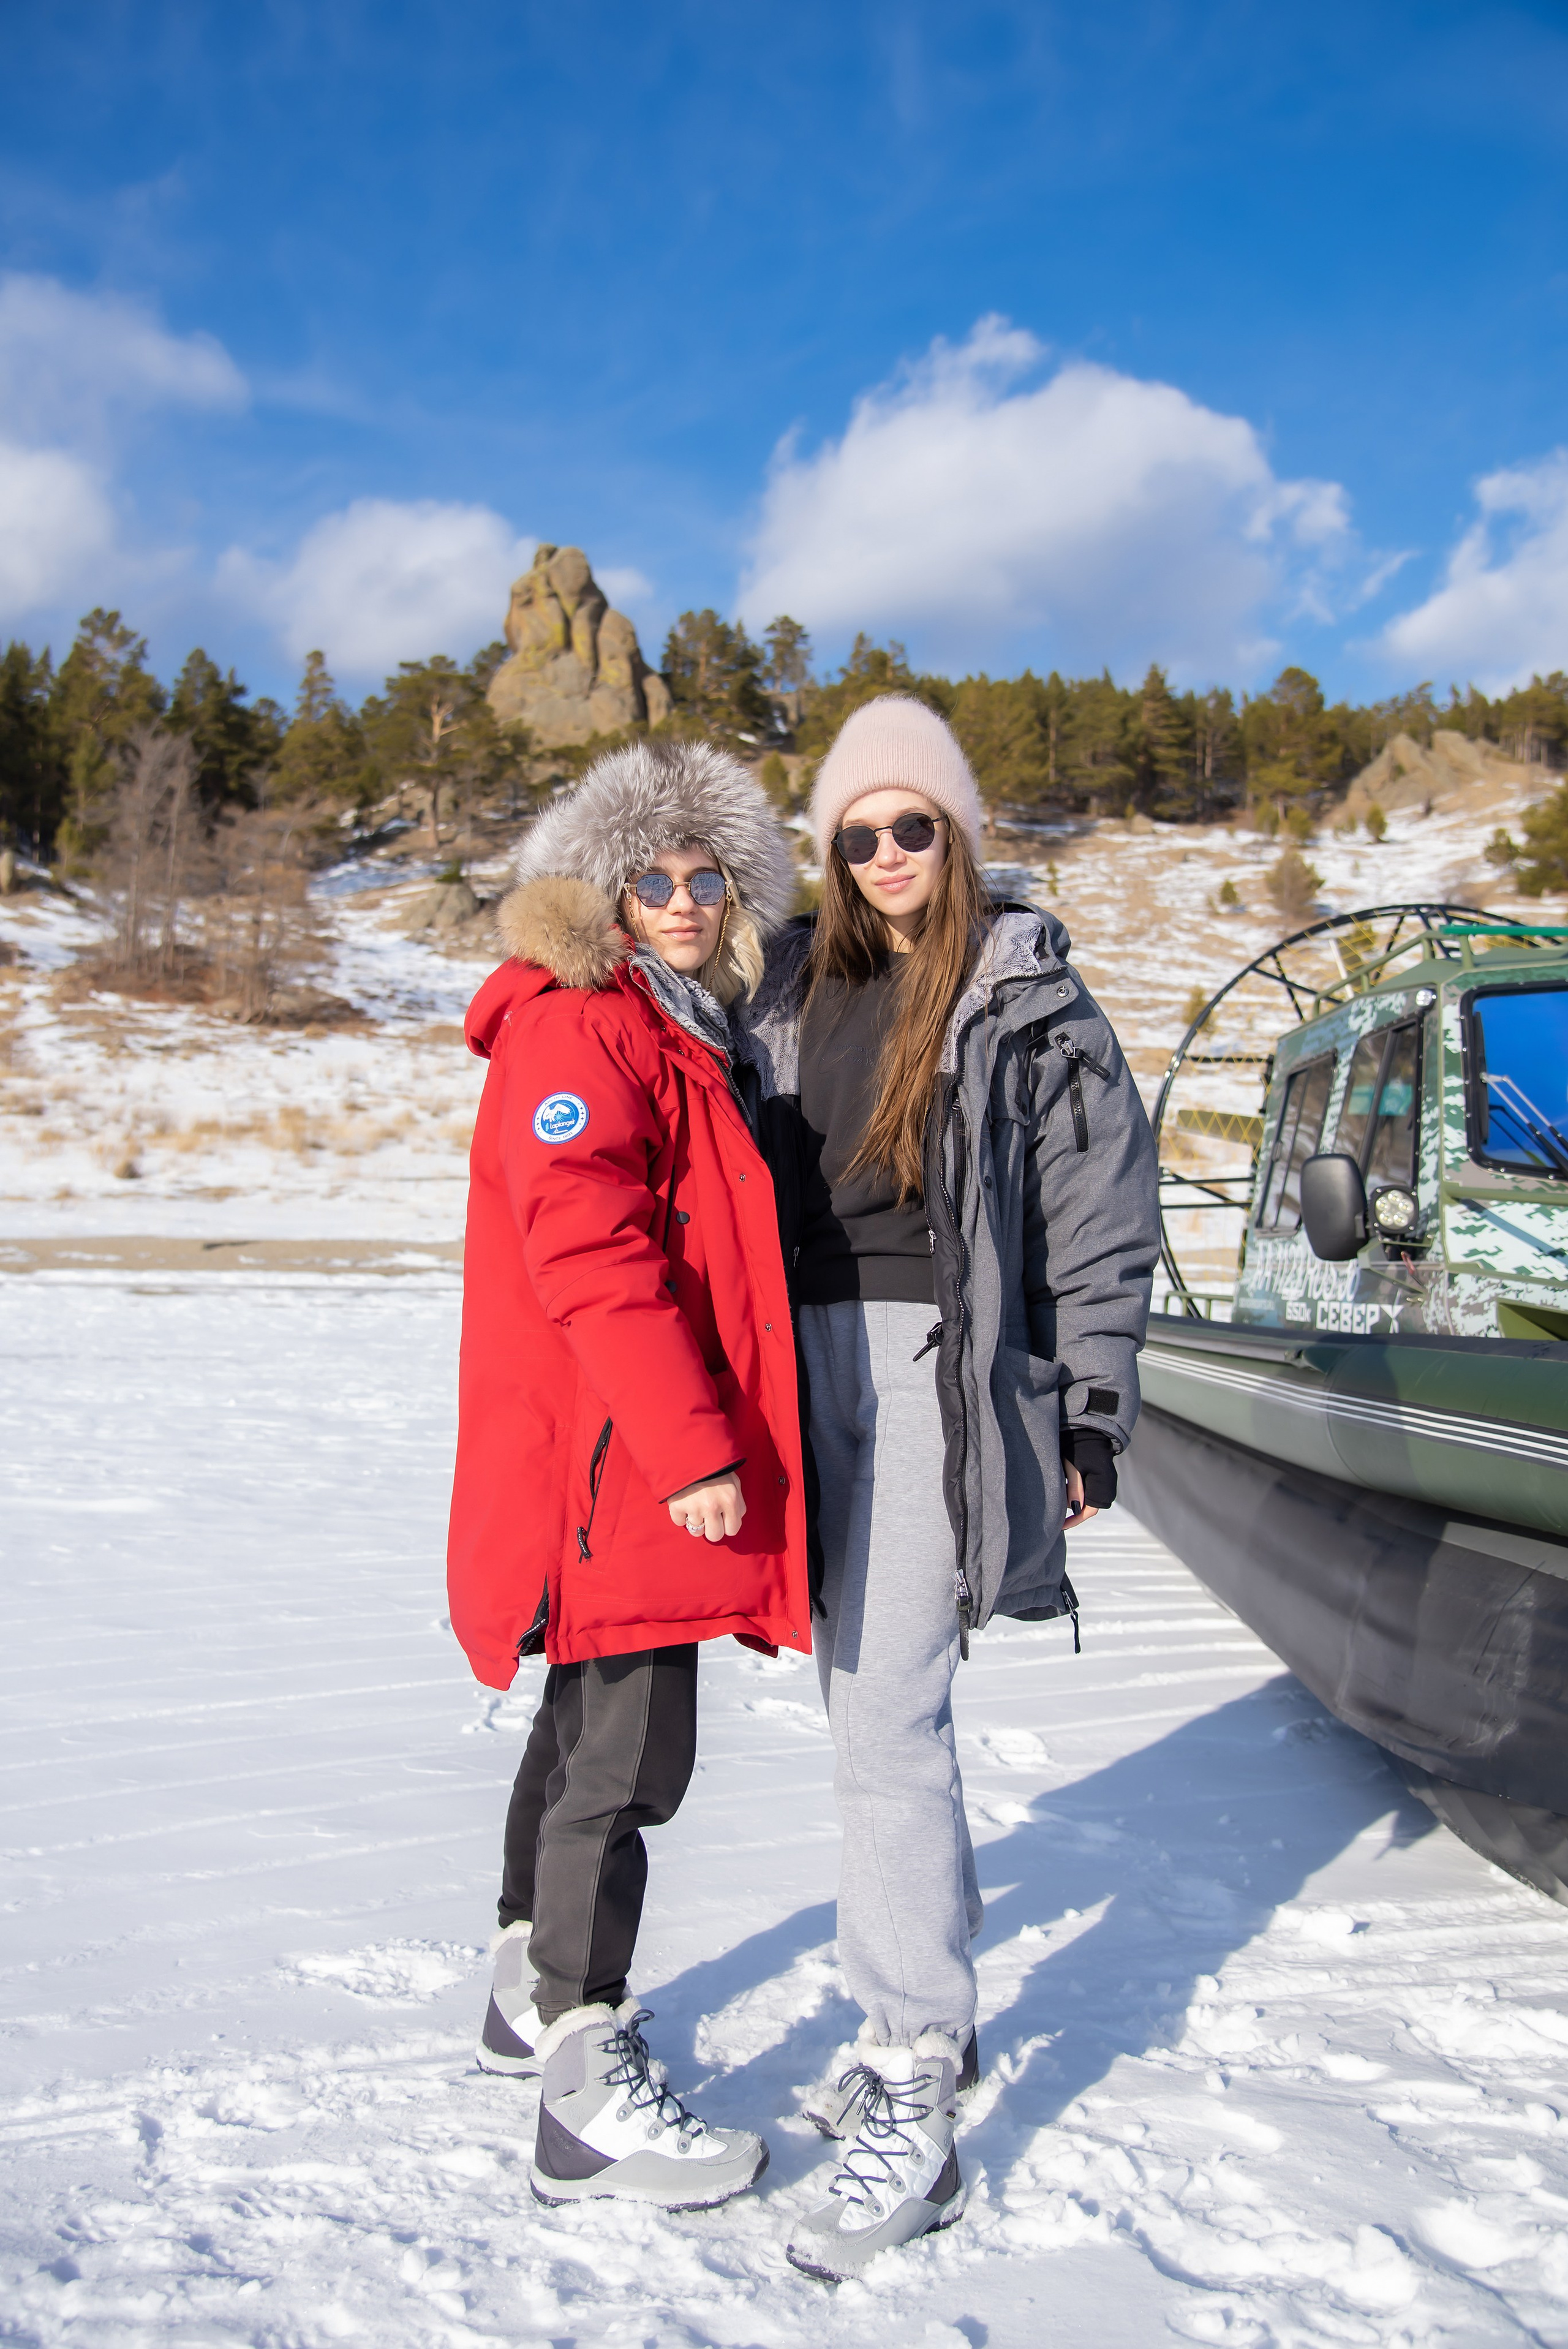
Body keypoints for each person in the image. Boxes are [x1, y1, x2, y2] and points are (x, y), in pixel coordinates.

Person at [735, 694, 1160, 2279]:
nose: (889, 853)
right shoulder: (789, 983)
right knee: (857, 1705)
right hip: (802, 1372)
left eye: (915, 824)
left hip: (938, 1374)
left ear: (959, 831)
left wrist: (1090, 1413)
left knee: (894, 1706)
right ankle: (914, 2015)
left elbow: (1102, 1212)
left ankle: (916, 2049)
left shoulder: (1025, 991)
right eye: (859, 831)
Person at [447, 736, 805, 2210]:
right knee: (627, 1760)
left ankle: (525, 1992)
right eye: (646, 877)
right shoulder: (584, 1029)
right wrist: (690, 1445)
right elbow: (588, 1248)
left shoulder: (665, 1030)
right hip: (622, 1465)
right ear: (598, 893)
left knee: (587, 1719)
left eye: (702, 876)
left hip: (610, 1461)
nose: (677, 900)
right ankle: (586, 2092)